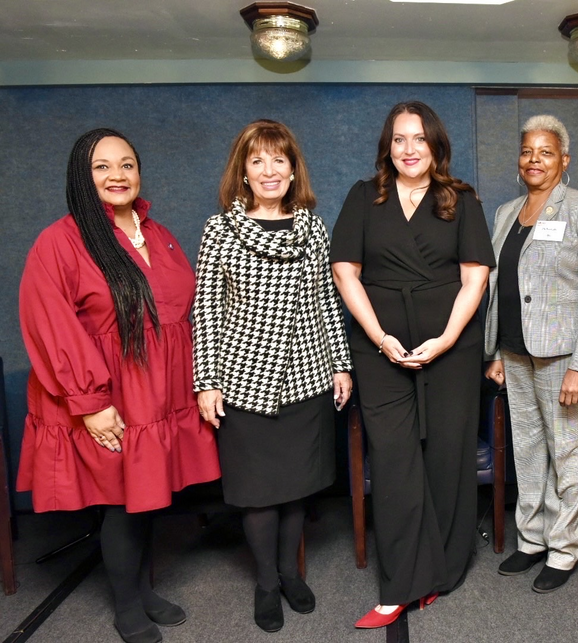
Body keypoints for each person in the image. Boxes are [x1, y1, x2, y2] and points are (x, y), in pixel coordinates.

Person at [17, 128, 221, 643]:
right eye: (102, 167)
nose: (117, 175)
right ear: (82, 179)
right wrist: (90, 402)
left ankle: (143, 590)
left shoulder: (158, 232)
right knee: (122, 502)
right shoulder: (60, 241)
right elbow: (50, 323)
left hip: (161, 392)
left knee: (148, 496)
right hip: (111, 394)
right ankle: (127, 605)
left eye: (126, 164)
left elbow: (181, 315)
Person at [331, 101, 494, 628]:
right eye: (400, 139)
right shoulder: (364, 196)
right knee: (396, 459)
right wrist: (379, 336)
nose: (409, 148)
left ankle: (443, 572)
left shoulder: (461, 199)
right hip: (381, 349)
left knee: (448, 455)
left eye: (419, 138)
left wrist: (446, 339)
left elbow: (475, 278)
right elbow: (345, 272)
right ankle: (401, 582)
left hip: (453, 348)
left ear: (436, 145)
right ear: (388, 146)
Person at [193, 120, 352, 633]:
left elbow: (328, 303)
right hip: (242, 381)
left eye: (278, 160)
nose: (268, 170)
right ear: (243, 171)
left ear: (292, 169)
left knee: (296, 488)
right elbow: (207, 311)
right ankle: (265, 582)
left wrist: (341, 363)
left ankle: (289, 571)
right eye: (257, 160)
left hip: (306, 377)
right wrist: (207, 381)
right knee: (258, 493)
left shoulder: (313, 227)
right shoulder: (219, 229)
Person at [483, 115, 578, 593]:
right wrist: (495, 350)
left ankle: (563, 548)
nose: (533, 160)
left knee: (566, 449)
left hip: (562, 357)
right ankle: (532, 539)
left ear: (564, 160)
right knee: (528, 448)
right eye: (526, 152)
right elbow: (498, 290)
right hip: (514, 354)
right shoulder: (505, 213)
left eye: (545, 152)